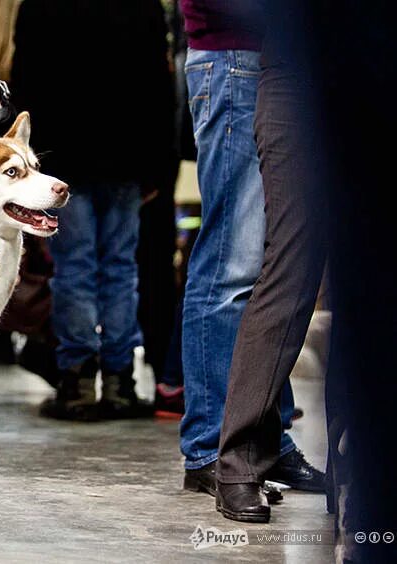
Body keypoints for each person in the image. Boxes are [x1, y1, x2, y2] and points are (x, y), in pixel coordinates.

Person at [177, 0, 323, 499]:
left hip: (267, 60)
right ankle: (210, 447)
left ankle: (264, 439)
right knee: (230, 265)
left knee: (268, 267)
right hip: (233, 59)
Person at [11, 0, 172, 421]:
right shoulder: (144, 8)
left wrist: (31, 162)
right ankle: (120, 380)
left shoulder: (40, 8)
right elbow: (158, 84)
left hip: (66, 157)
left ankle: (77, 379)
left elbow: (26, 83)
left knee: (73, 268)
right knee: (121, 267)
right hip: (127, 156)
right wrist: (159, 165)